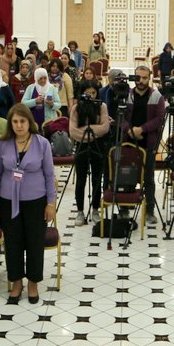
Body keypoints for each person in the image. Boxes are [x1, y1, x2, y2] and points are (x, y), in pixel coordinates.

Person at [0, 104, 57, 305]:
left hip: (36, 201)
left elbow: (49, 175)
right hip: (7, 200)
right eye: (15, 122)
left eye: (22, 121)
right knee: (13, 243)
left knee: (34, 242)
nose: (19, 126)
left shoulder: (42, 143)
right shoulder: (3, 144)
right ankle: (16, 283)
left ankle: (33, 283)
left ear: (30, 122)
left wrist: (51, 203)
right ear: (10, 124)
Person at [120, 65, 165, 224]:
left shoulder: (156, 96)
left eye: (145, 78)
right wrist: (129, 130)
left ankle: (150, 211)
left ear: (149, 78)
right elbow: (121, 117)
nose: (141, 81)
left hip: (148, 143)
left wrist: (142, 129)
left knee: (149, 178)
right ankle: (125, 208)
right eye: (138, 77)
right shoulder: (127, 95)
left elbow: (160, 119)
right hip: (129, 141)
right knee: (126, 175)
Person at [69, 81, 110, 226]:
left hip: (97, 146)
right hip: (81, 147)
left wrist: (87, 131)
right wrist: (93, 131)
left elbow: (105, 128)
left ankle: (95, 209)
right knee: (81, 180)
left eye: (93, 93)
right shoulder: (76, 108)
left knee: (97, 179)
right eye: (88, 93)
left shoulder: (102, 106)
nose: (91, 96)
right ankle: (80, 211)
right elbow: (73, 131)